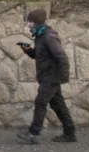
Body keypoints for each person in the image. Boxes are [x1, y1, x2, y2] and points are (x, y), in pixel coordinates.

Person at [16, 8, 76, 144]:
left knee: (41, 102)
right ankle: (70, 133)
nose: (28, 24)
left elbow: (61, 56)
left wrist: (63, 76)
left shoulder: (49, 37)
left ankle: (33, 133)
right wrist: (27, 50)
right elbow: (38, 55)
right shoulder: (40, 36)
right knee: (58, 105)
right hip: (47, 77)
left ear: (37, 22)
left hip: (51, 77)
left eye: (30, 21)